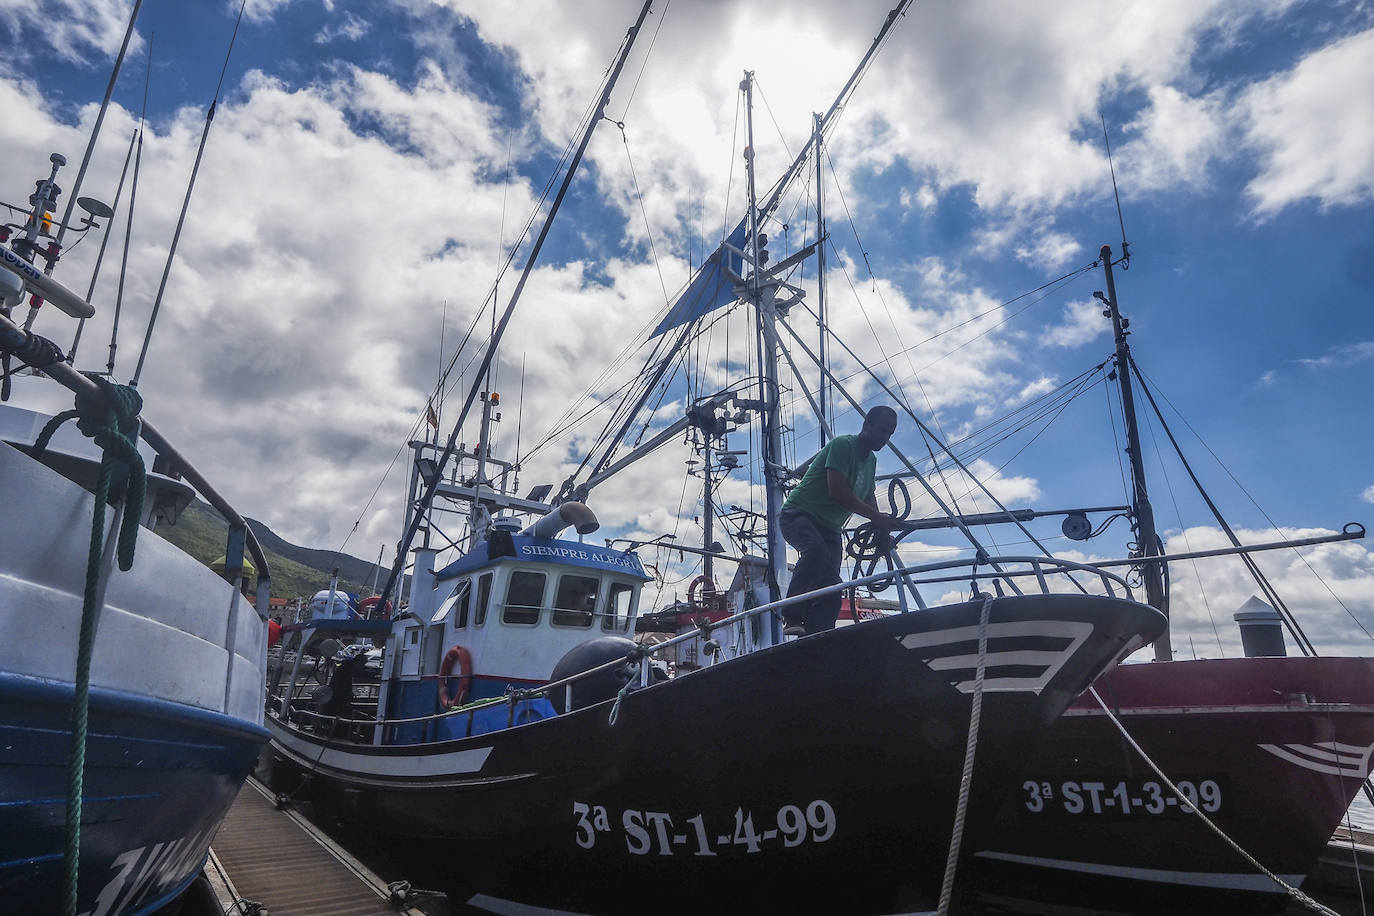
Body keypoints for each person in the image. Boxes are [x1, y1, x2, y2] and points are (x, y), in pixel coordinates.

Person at [779, 407, 900, 636]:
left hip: (830, 527)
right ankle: (792, 615)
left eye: (890, 433)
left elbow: (867, 494)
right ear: (867, 425)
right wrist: (876, 517)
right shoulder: (842, 445)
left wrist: (881, 528)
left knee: (833, 583)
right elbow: (838, 491)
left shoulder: (871, 461)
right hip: (799, 514)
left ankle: (820, 633)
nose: (885, 437)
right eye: (882, 430)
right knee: (816, 553)